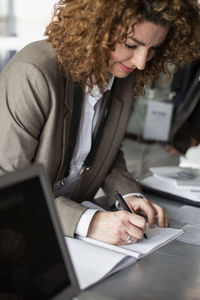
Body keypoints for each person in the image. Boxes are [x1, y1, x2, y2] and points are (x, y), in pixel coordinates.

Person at [0, 0, 200, 246]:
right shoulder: (33, 73)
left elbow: (105, 150)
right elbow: (7, 188)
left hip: (65, 237)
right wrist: (89, 222)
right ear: (96, 28)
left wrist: (128, 193)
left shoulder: (122, 73)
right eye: (130, 45)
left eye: (154, 49)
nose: (141, 62)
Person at [124, 59, 200, 179]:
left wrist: (190, 139)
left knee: (159, 196)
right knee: (119, 192)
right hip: (123, 146)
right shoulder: (143, 50)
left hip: (164, 151)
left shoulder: (190, 55)